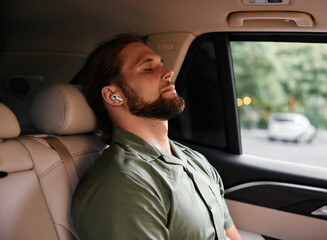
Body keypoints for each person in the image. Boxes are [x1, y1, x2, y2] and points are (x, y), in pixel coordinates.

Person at [71, 34, 243, 240]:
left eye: (162, 63)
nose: (169, 72)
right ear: (113, 96)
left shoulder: (195, 160)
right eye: (148, 68)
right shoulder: (123, 185)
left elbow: (230, 235)